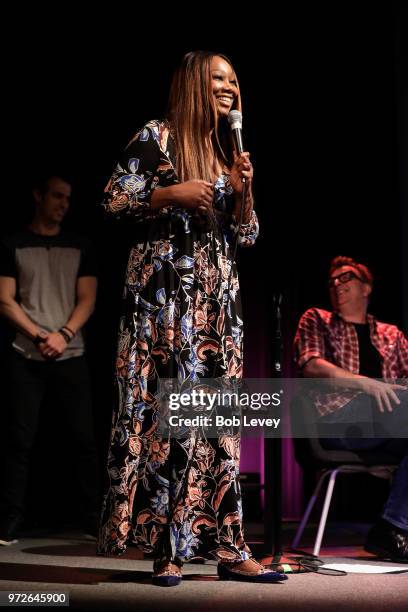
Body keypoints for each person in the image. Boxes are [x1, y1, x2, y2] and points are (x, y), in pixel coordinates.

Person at [97, 50, 287, 586]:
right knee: (172, 423)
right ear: (191, 85)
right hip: (165, 305)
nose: (229, 87)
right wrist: (167, 193)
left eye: (233, 80)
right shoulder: (156, 136)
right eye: (217, 78)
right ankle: (167, 549)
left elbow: (246, 235)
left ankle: (229, 546)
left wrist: (243, 190)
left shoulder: (227, 147)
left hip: (217, 308)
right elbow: (112, 200)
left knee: (219, 425)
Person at [0, 173, 100, 545]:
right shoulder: (12, 244)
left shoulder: (80, 245)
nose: (63, 204)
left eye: (68, 199)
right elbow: (5, 299)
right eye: (57, 196)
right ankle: (10, 521)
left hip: (70, 353)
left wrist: (63, 335)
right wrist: (42, 335)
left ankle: (92, 518)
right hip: (25, 353)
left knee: (84, 441)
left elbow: (87, 299)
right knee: (19, 441)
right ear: (38, 195)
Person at [294, 255, 408, 562]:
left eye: (346, 278)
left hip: (386, 426)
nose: (337, 285)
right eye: (332, 281)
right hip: (337, 421)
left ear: (366, 288)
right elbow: (311, 365)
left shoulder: (391, 335)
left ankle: (393, 528)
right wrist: (365, 383)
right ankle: (393, 528)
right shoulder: (317, 318)